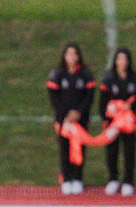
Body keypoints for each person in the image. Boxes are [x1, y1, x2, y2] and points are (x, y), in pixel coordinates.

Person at [46, 42, 95, 195]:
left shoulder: (85, 74)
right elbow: (54, 97)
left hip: (81, 119)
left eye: (74, 54)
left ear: (79, 56)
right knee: (65, 148)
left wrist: (78, 112)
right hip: (64, 119)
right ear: (64, 56)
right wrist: (66, 114)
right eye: (69, 54)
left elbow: (89, 97)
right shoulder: (58, 74)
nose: (72, 57)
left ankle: (77, 178)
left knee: (80, 148)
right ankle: (66, 178)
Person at [99, 48, 136, 196]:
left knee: (129, 150)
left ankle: (128, 181)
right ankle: (113, 179)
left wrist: (131, 105)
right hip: (113, 122)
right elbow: (102, 101)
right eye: (119, 59)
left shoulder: (135, 79)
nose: (122, 62)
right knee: (112, 150)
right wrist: (106, 118)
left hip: (129, 122)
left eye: (125, 59)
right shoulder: (108, 79)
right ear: (115, 61)